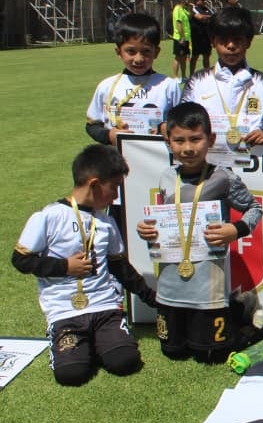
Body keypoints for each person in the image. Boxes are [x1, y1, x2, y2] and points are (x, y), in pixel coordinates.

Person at [12, 145, 155, 386]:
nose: (115, 196)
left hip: (105, 308)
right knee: (71, 375)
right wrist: (64, 267)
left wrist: (151, 297)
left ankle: (102, 340)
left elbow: (120, 268)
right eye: (114, 187)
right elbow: (21, 260)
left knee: (125, 362)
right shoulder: (48, 216)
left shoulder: (106, 221)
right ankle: (75, 344)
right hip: (64, 311)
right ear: (95, 184)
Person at [135, 102, 263, 362]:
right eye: (179, 140)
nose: (187, 148)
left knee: (212, 355)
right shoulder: (166, 177)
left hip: (208, 288)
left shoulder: (223, 178)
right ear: (168, 142)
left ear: (211, 139)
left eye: (196, 139)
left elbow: (254, 209)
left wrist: (235, 228)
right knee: (173, 352)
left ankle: (248, 322)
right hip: (171, 284)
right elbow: (168, 222)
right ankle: (237, 306)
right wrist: (146, 230)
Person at [181, 6, 263, 146]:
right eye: (223, 40)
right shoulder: (197, 80)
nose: (231, 46)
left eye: (237, 40)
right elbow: (183, 117)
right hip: (210, 158)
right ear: (213, 42)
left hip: (251, 158)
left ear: (248, 42)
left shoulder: (261, 81)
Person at [86, 12, 182, 146]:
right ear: (119, 52)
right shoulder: (106, 86)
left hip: (158, 160)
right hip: (117, 161)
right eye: (131, 51)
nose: (139, 59)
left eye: (146, 51)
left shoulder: (168, 86)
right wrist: (109, 135)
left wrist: (166, 127)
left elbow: (183, 123)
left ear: (156, 52)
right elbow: (92, 125)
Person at [189, 0, 213, 74]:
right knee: (195, 56)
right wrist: (209, 17)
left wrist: (207, 17)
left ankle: (207, 74)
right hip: (197, 37)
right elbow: (200, 18)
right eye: (202, 0)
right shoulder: (193, 8)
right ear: (197, 1)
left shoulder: (207, 9)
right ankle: (191, 74)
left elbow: (213, 17)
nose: (204, 1)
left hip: (207, 37)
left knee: (206, 56)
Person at [171, 0, 192, 79]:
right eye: (187, 0)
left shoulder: (183, 9)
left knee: (184, 58)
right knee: (178, 57)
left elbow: (189, 16)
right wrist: (182, 37)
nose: (188, 1)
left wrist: (190, 7)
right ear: (183, 0)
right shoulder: (177, 9)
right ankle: (175, 77)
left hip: (186, 38)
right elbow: (178, 23)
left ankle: (183, 76)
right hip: (180, 38)